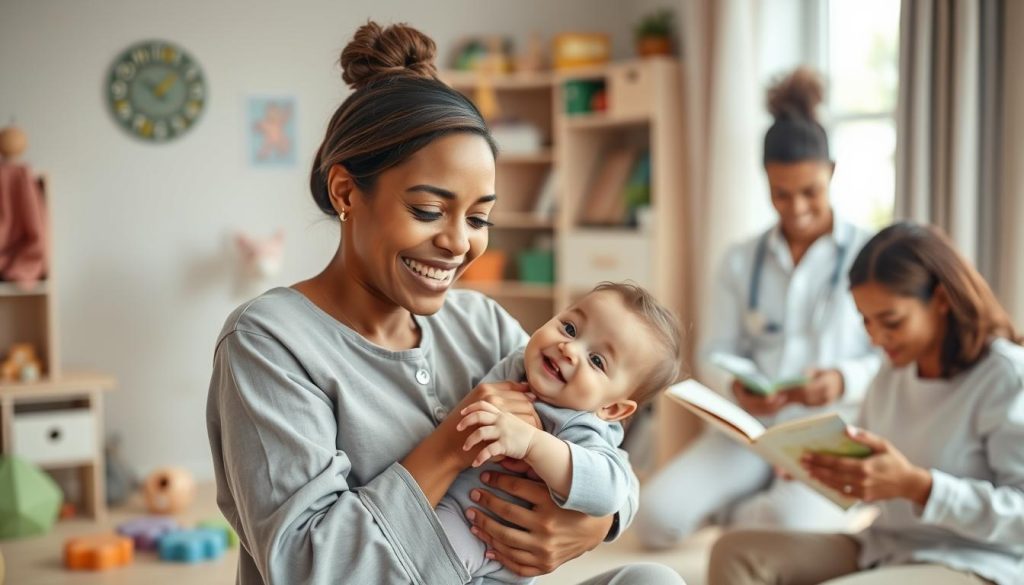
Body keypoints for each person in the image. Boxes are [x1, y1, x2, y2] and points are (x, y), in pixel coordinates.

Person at [205, 21, 684, 585]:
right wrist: (452, 446)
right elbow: (310, 568)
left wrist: (596, 524)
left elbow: (600, 445)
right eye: (429, 210)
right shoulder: (270, 342)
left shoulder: (479, 322)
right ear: (345, 192)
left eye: (479, 218)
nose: (460, 242)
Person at [637, 67, 881, 547]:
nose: (796, 208)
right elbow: (714, 350)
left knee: (787, 531)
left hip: (831, 431)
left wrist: (842, 379)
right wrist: (738, 385)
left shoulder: (870, 255)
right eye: (781, 194)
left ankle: (740, 511)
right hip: (753, 430)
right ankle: (746, 498)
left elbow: (892, 356)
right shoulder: (740, 260)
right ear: (766, 182)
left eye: (810, 191)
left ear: (832, 173)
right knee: (654, 520)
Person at [709, 222, 1024, 584]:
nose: (876, 339)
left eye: (891, 321)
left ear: (940, 300)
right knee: (734, 552)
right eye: (866, 322)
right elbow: (872, 469)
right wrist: (819, 466)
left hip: (976, 561)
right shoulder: (894, 372)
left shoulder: (1005, 378)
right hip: (884, 545)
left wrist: (919, 487)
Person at [437, 282, 682, 583]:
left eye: (596, 361)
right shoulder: (518, 363)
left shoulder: (583, 426)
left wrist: (532, 444)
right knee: (424, 555)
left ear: (612, 410)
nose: (569, 349)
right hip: (455, 514)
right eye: (569, 328)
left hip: (493, 547)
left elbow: (612, 489)